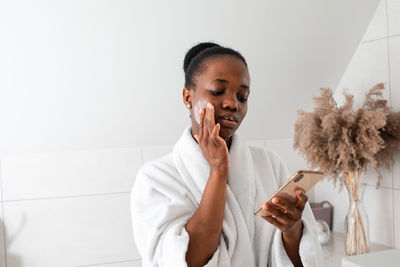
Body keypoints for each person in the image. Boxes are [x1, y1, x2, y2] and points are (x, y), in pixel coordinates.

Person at [131, 42, 324, 267]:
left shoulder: (269, 163)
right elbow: (186, 260)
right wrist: (218, 170)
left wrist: (292, 229)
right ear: (187, 97)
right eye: (217, 91)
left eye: (242, 97)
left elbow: (300, 257)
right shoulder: (156, 177)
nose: (233, 104)